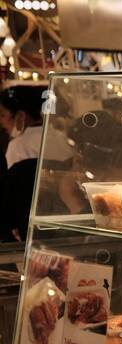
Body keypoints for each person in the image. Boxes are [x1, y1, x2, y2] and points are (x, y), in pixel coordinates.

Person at [0, 85, 71, 240]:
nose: (2, 122)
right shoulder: (60, 137)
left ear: (20, 116)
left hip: (32, 226)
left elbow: (11, 198)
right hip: (65, 220)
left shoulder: (18, 146)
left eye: (3, 115)